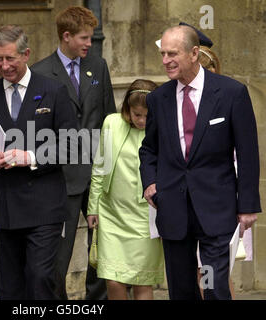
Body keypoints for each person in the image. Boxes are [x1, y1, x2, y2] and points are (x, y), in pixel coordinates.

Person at [139, 25, 261, 300]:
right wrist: (150, 183)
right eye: (162, 54)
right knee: (181, 290)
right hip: (172, 208)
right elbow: (148, 150)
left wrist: (248, 205)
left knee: (215, 287)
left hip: (217, 208)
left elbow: (247, 152)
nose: (166, 60)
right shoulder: (158, 99)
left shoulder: (231, 92)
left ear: (194, 53)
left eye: (173, 53)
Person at [0, 24, 77, 299]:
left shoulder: (54, 91)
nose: (4, 66)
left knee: (40, 278)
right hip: (3, 209)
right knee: (8, 285)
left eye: (10, 58)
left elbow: (71, 146)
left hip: (44, 207)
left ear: (26, 54)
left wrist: (29, 157)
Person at [31, 6, 116, 300]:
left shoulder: (98, 66)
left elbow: (109, 118)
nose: (88, 44)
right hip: (61, 177)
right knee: (57, 256)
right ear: (66, 36)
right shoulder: (40, 73)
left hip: (96, 173)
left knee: (103, 250)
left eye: (91, 38)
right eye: (83, 38)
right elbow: (38, 130)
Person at [87, 79, 164, 300]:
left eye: (147, 115)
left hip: (144, 217)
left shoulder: (162, 130)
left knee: (142, 281)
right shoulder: (111, 123)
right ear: (127, 109)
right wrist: (93, 207)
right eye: (136, 114)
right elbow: (100, 167)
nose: (141, 120)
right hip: (112, 215)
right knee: (112, 279)